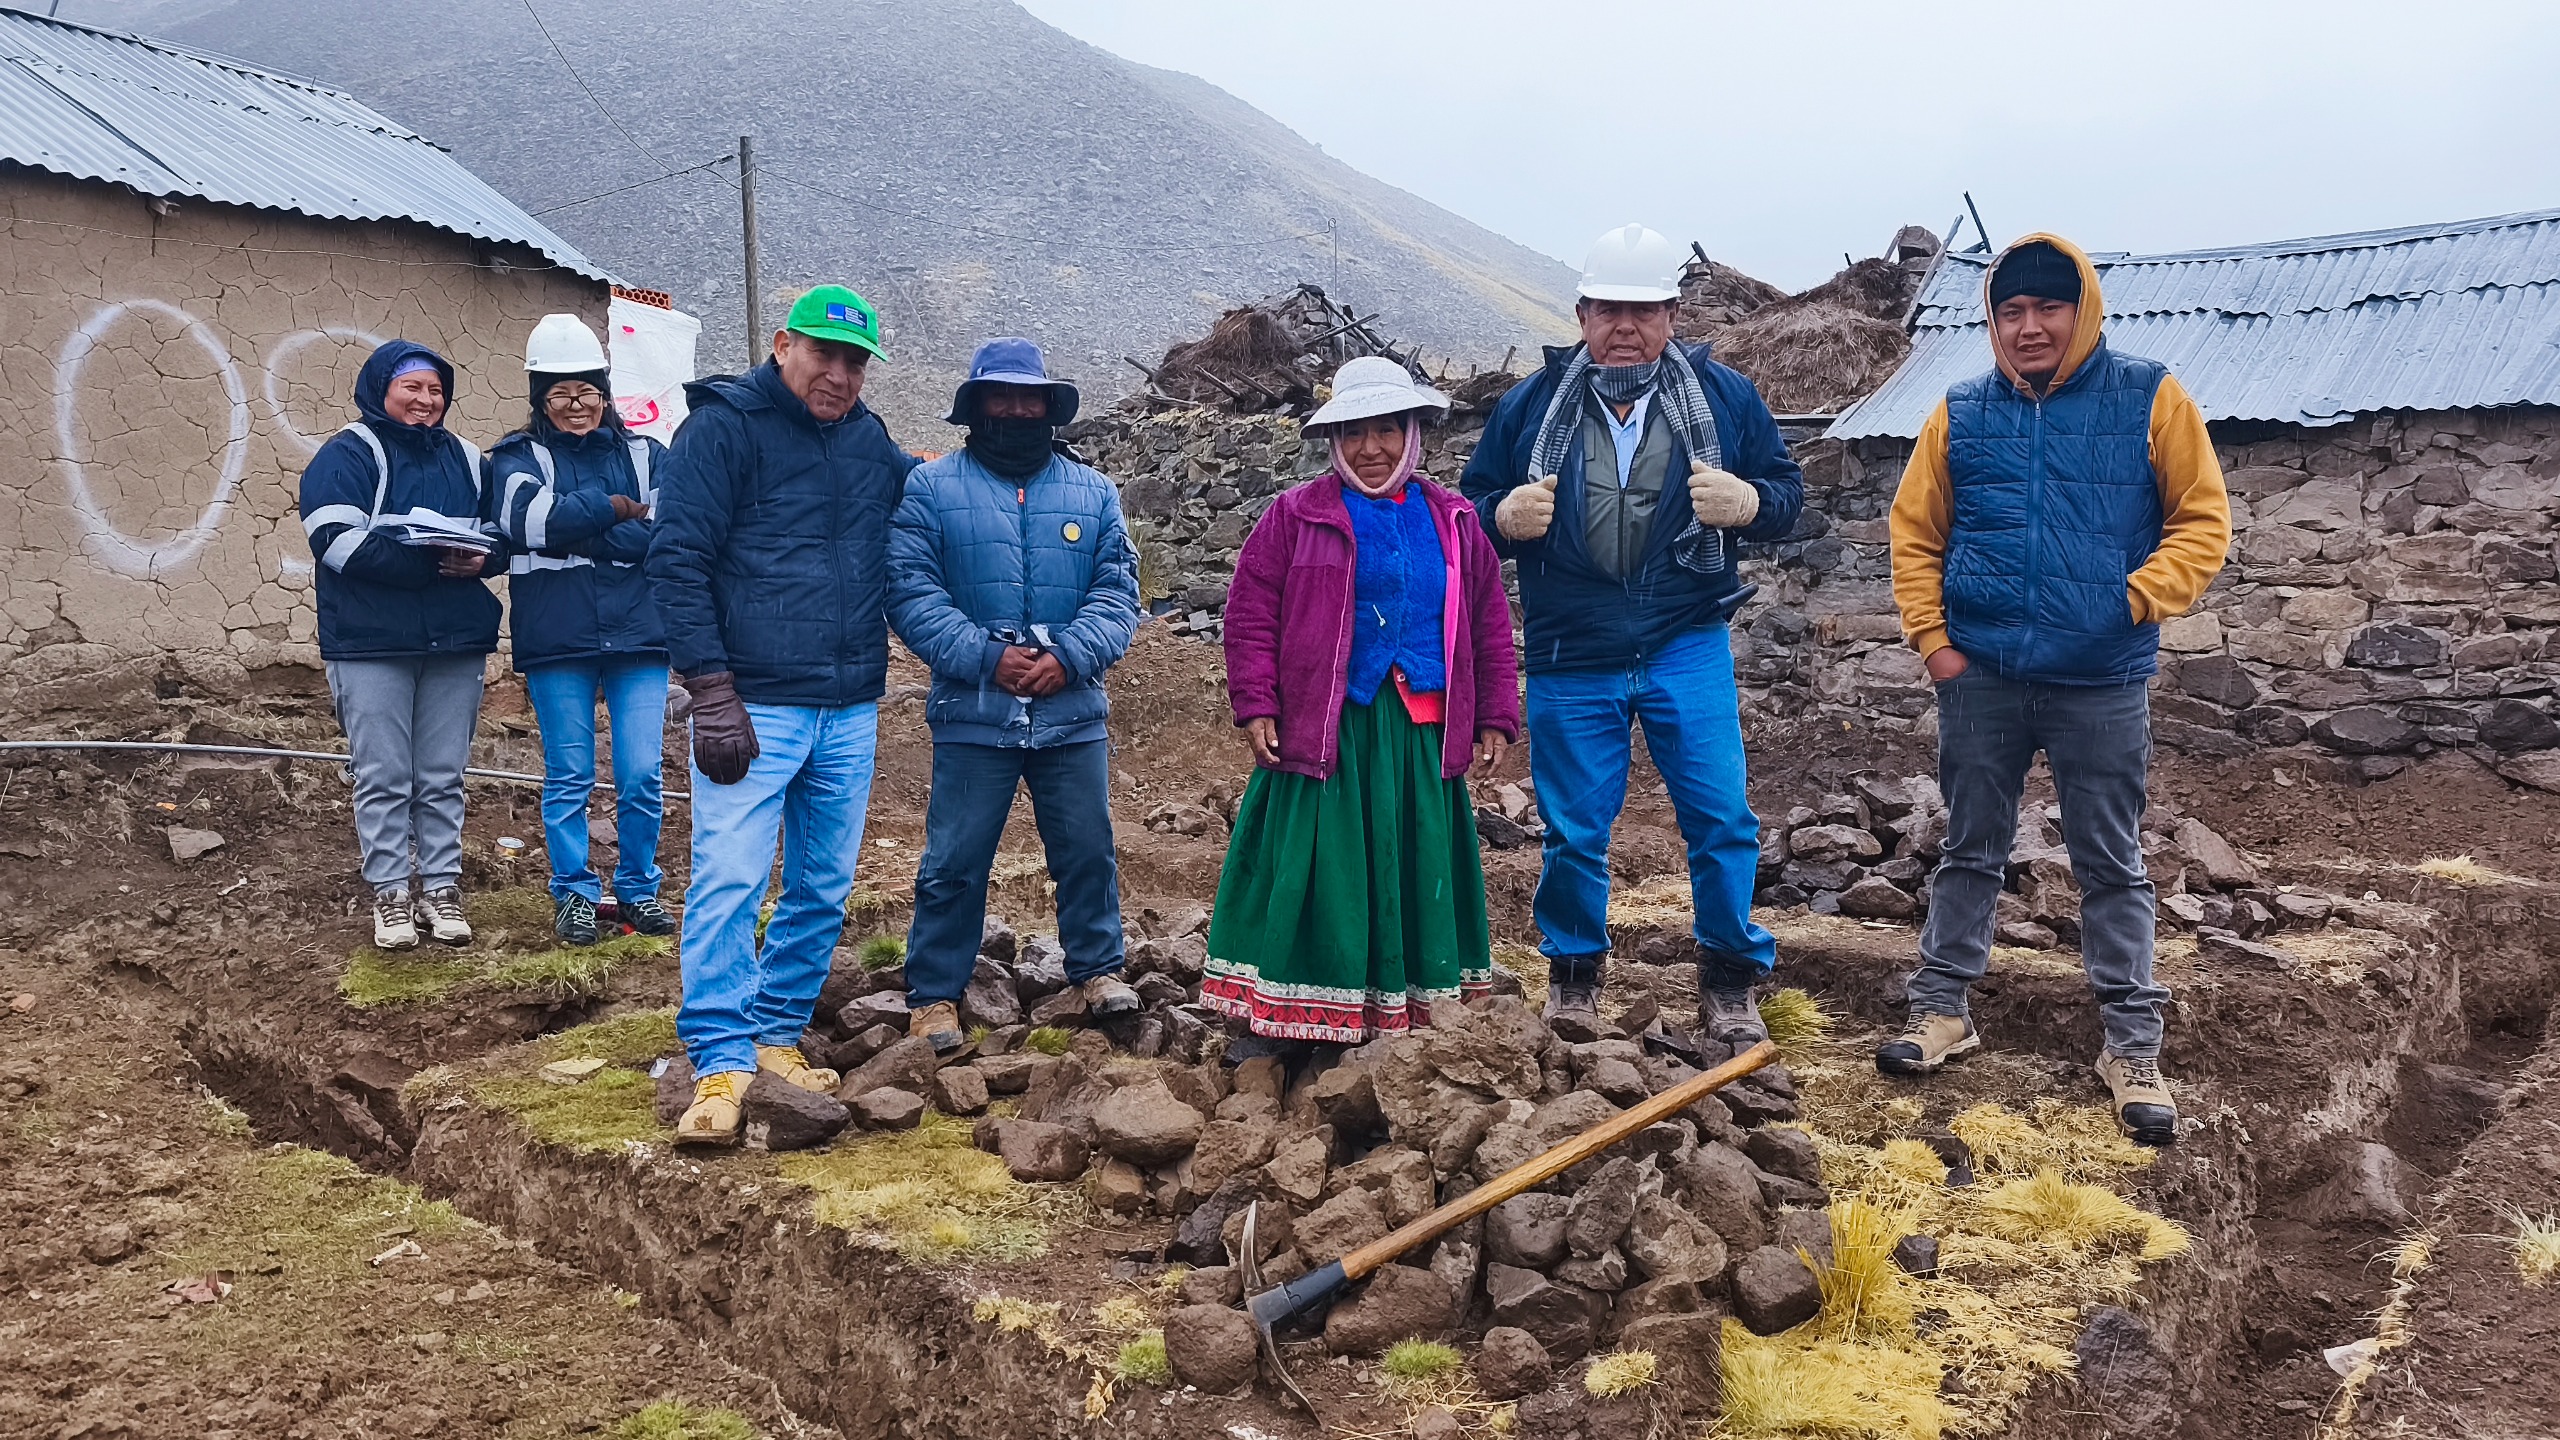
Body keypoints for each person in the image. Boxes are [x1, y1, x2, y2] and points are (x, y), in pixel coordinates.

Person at [1878, 234, 2231, 1147]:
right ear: (1992, 321)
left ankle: (2131, 1046)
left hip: (2100, 682)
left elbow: (2202, 519)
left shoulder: (2151, 396)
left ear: (2083, 312)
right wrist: (1936, 646)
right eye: (2010, 312)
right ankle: (1942, 1009)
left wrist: (2136, 599)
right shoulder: (1959, 412)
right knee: (1970, 847)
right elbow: (1914, 535)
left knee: (2111, 861)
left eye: (2047, 309)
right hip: (1983, 677)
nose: (2028, 328)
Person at [1460, 223, 1804, 1046]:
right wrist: (1501, 517)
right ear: (1581, 312)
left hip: (1685, 638)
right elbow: (1466, 517)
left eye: (1643, 309)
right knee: (1576, 829)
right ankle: (1573, 979)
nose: (1626, 325)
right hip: (1570, 650)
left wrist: (1752, 504)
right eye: (1609, 307)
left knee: (1721, 819)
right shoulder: (1529, 407)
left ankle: (1729, 981)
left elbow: (1789, 495)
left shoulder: (1725, 399)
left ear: (1673, 315)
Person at [646, 286, 920, 1146]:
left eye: (854, 361)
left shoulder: (870, 444)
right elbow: (678, 560)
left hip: (847, 704)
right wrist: (712, 691)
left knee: (821, 884)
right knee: (729, 878)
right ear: (781, 345)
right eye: (823, 354)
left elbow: (915, 543)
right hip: (753, 701)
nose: (838, 374)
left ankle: (772, 1029)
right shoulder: (723, 429)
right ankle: (720, 1053)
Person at [1205, 356, 1520, 1049]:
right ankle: (1285, 1018)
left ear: (1415, 434)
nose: (1370, 449)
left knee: (1411, 861)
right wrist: (1256, 700)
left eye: (1386, 430)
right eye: (1353, 434)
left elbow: (1487, 621)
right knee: (1319, 864)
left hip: (1415, 733)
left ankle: (1400, 1015)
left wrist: (1497, 711)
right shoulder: (1296, 517)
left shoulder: (1456, 522)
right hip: (1327, 728)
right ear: (1332, 443)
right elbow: (1251, 613)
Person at [886, 338, 1144, 1050]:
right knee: (955, 859)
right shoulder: (932, 489)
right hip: (974, 711)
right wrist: (986, 657)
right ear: (976, 407)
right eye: (1000, 397)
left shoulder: (1092, 492)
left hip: (1072, 711)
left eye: (1028, 397)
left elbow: (1119, 593)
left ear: (1047, 407)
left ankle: (1097, 970)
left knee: (1087, 847)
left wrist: (1070, 655)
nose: (1016, 409)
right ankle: (935, 993)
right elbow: (911, 591)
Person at [298, 340, 503, 951]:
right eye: (412, 387)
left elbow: (500, 532)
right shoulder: (347, 455)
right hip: (371, 641)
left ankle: (441, 889)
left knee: (442, 774)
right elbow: (333, 539)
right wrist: (432, 563)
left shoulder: (467, 459)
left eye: (436, 390)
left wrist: (483, 558)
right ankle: (391, 893)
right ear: (381, 388)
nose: (426, 400)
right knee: (384, 775)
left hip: (454, 640)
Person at [490, 314, 676, 947]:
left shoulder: (649, 453)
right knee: (568, 772)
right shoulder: (516, 457)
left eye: (587, 391)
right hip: (557, 634)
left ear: (604, 390)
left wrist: (585, 527)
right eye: (561, 393)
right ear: (540, 398)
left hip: (641, 634)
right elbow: (528, 521)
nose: (576, 405)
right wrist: (620, 511)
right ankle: (573, 892)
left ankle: (638, 888)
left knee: (641, 772)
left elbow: (670, 535)